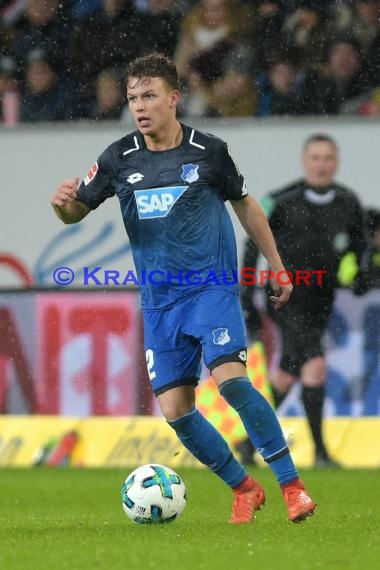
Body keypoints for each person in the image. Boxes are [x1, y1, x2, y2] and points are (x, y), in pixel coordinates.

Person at [51, 52, 316, 524]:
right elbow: (76, 213)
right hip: (159, 302)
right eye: (133, 98)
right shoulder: (117, 158)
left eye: (149, 95)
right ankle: (244, 488)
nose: (139, 106)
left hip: (210, 289)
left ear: (174, 98)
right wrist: (63, 205)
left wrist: (276, 264)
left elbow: (245, 205)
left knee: (232, 382)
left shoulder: (207, 151)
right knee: (176, 412)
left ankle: (292, 486)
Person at [241, 133, 368, 468]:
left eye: (328, 158)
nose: (322, 164)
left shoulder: (348, 202)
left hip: (321, 300)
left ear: (336, 162)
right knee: (315, 364)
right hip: (284, 297)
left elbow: (361, 247)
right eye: (315, 157)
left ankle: (246, 444)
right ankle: (321, 453)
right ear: (304, 161)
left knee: (287, 374)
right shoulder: (281, 200)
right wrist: (246, 293)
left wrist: (359, 275)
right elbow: (252, 244)